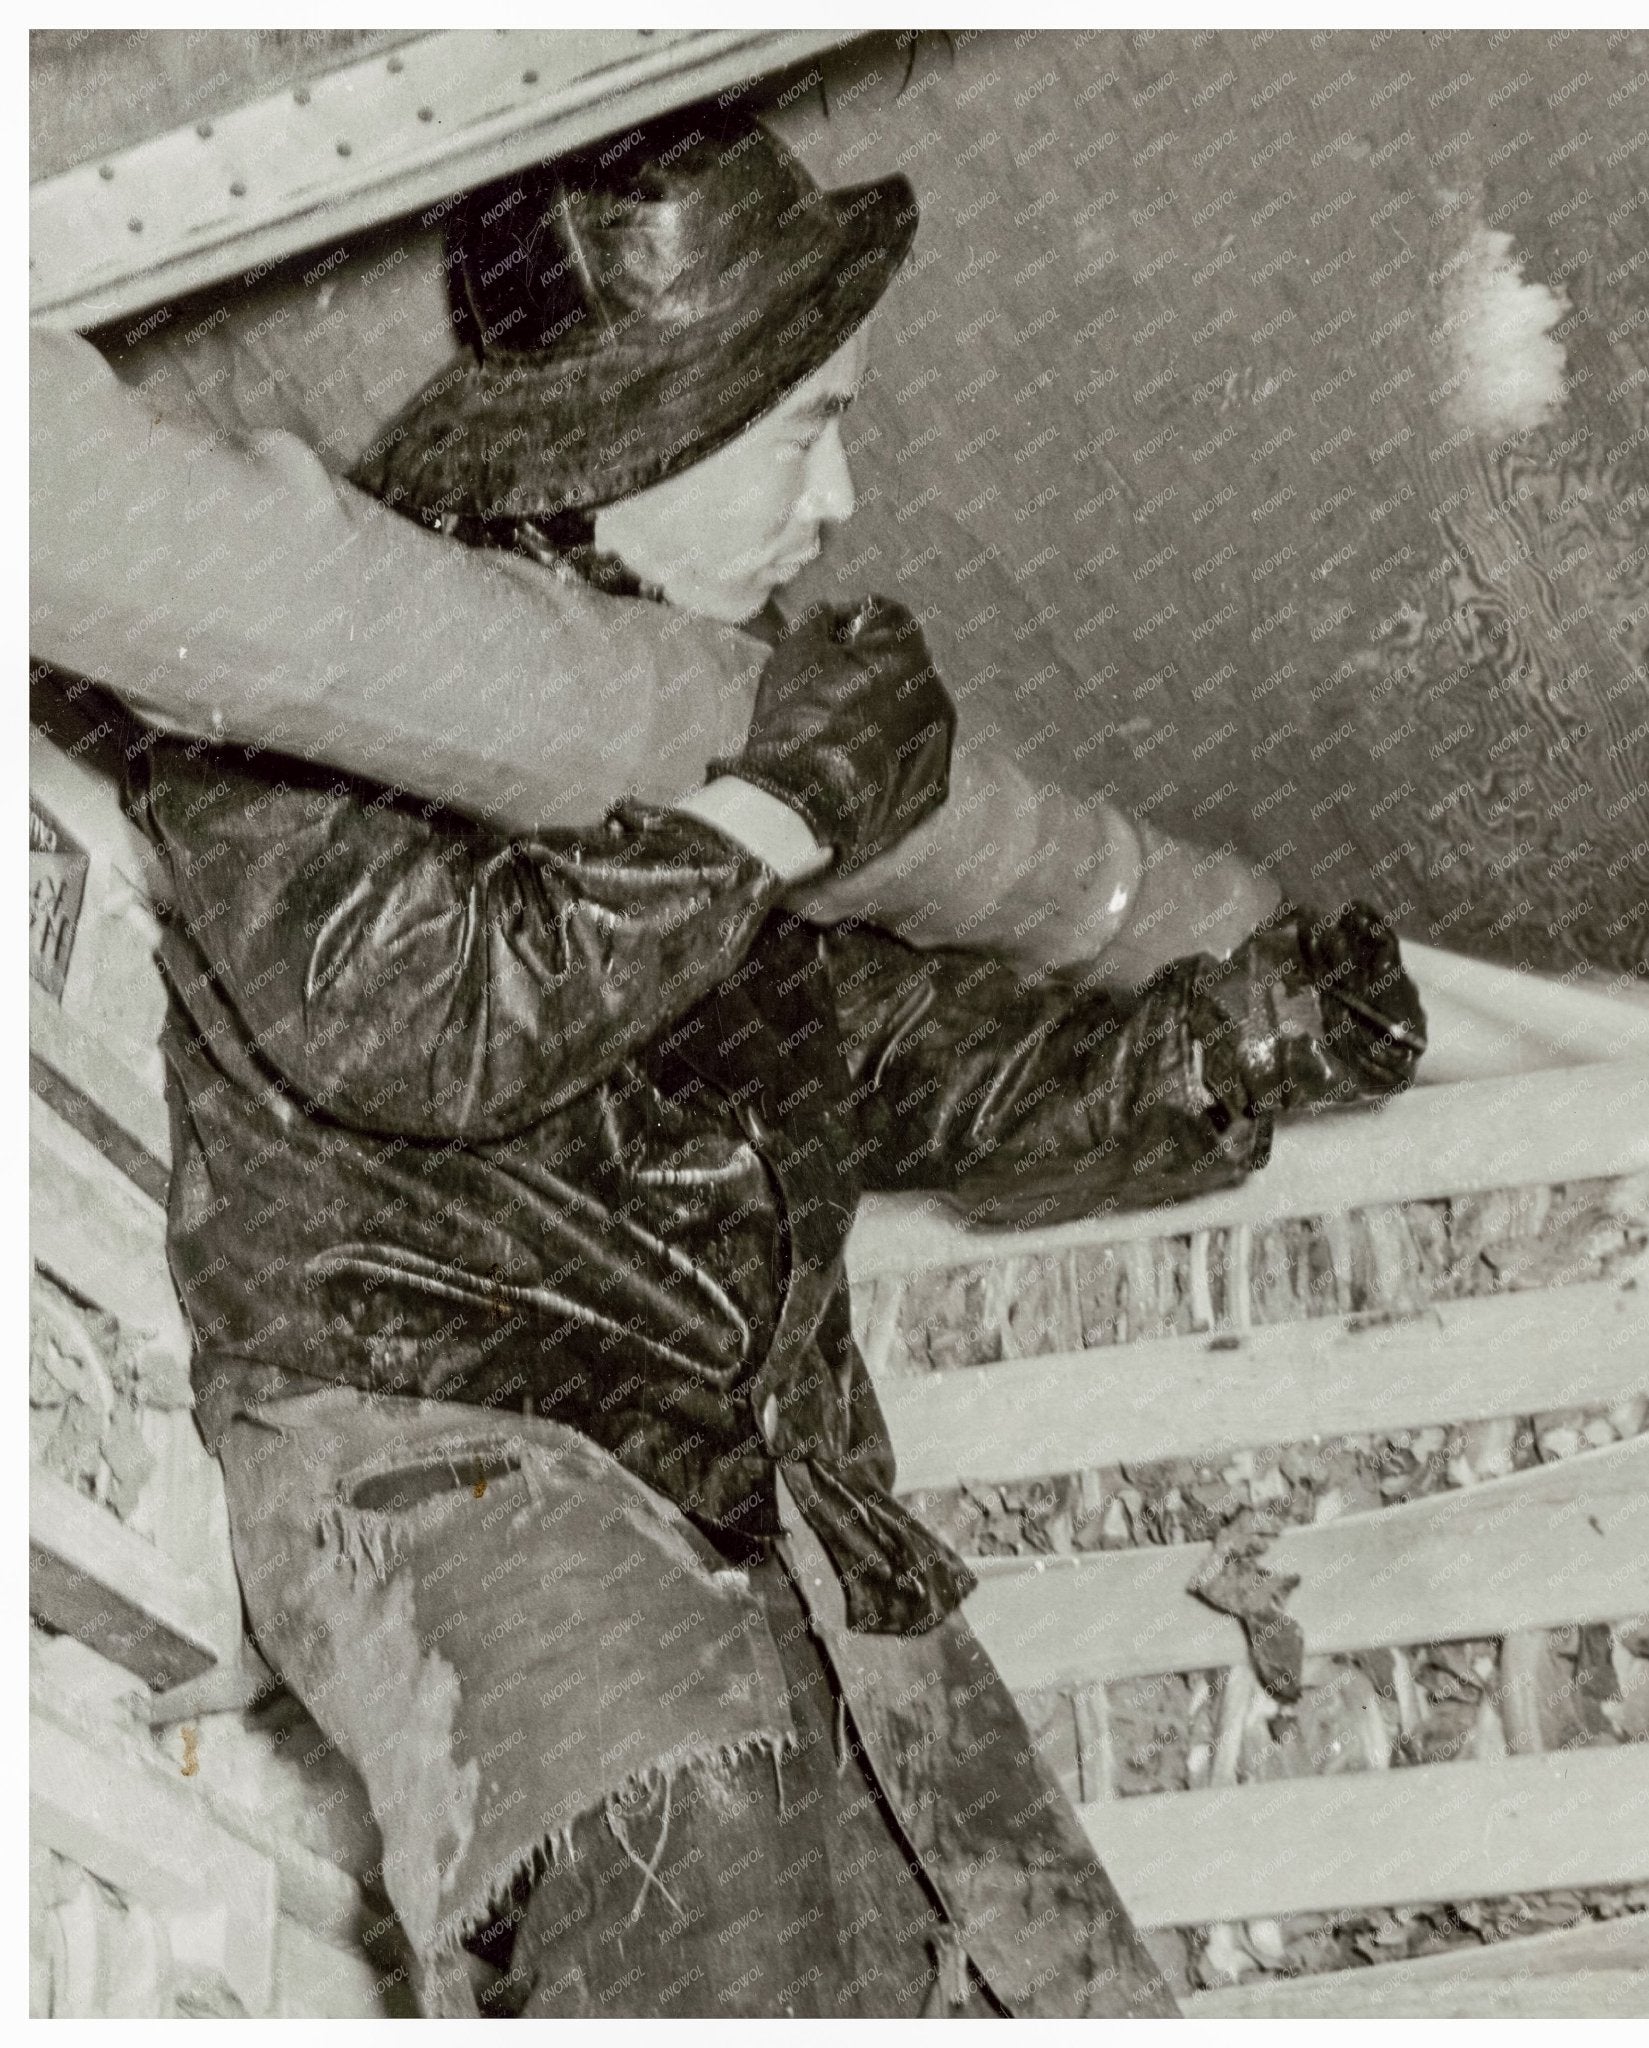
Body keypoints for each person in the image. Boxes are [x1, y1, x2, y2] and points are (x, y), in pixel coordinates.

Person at [129, 109, 1428, 2017]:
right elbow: (422, 1007)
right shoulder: (326, 669)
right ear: (649, 421)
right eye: (808, 424)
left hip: (767, 1505)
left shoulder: (701, 754)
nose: (838, 501)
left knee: (1029, 1975)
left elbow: (911, 1065)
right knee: (704, 1879)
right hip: (448, 1441)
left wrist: (1239, 1037)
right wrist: (779, 811)